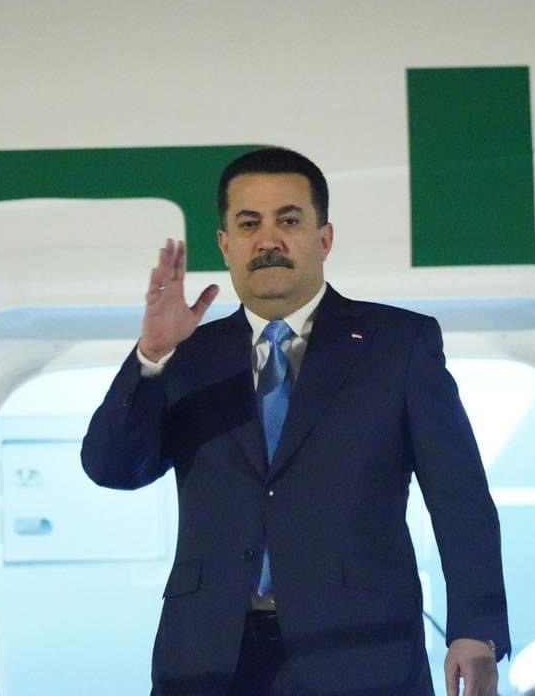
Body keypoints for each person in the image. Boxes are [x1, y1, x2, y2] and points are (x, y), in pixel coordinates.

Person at [82, 147, 510, 695]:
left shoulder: (397, 345)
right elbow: (113, 468)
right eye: (249, 224)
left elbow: (460, 497)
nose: (268, 241)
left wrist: (475, 629)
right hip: (208, 658)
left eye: (288, 221)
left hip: (362, 652)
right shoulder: (187, 354)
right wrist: (151, 358)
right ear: (225, 244)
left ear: (324, 238)